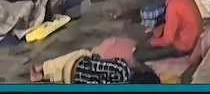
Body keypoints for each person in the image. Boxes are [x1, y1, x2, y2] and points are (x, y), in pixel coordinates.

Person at [134, 0, 204, 62]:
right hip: (196, 34)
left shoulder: (173, 5)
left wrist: (150, 43)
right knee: (156, 31)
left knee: (139, 54)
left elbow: (167, 40)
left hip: (186, 45)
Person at [30, 51, 159, 84]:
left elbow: (101, 63)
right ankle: (48, 78)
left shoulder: (122, 68)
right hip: (71, 84)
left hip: (73, 67)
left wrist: (91, 56)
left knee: (83, 53)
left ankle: (43, 69)